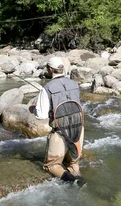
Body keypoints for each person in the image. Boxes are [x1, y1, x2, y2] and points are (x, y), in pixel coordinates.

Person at [33, 56, 85, 187]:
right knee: (73, 162)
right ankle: (80, 180)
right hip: (78, 129)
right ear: (62, 69)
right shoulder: (74, 84)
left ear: (50, 69)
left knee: (51, 165)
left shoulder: (47, 88)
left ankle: (74, 182)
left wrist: (32, 109)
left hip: (60, 131)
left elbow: (40, 115)